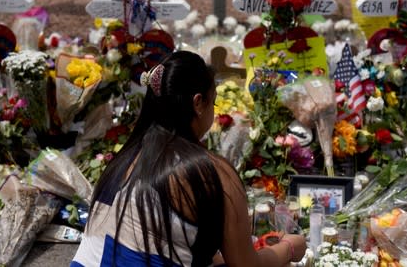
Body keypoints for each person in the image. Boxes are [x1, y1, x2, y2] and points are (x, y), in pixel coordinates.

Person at [71, 51, 306, 267]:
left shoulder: (124, 157)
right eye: (212, 102)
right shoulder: (211, 173)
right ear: (198, 103)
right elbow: (246, 265)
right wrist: (288, 249)